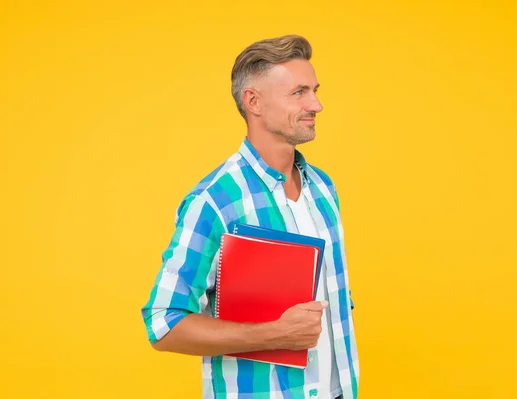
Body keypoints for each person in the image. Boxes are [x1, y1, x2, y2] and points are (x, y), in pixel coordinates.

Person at [141, 34, 359, 399]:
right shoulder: (214, 201)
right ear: (253, 101)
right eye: (299, 93)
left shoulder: (323, 189)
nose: (317, 105)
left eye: (315, 90)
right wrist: (274, 334)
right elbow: (163, 324)